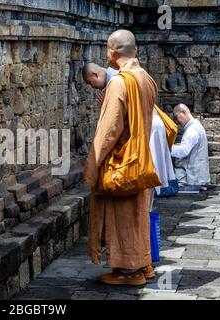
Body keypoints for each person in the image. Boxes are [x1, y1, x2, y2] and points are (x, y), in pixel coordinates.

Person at [83, 29, 158, 286]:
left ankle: (128, 271)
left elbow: (109, 129)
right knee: (139, 215)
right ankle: (143, 263)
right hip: (141, 158)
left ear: (111, 53)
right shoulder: (145, 77)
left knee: (122, 216)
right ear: (134, 50)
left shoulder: (119, 82)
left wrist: (92, 165)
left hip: (122, 163)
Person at [83, 63, 177, 198]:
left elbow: (116, 121)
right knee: (148, 174)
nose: (94, 87)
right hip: (151, 125)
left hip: (147, 127)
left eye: (92, 83)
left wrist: (108, 107)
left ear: (95, 75)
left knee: (145, 175)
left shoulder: (117, 81)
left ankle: (145, 213)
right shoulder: (128, 75)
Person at [171, 103, 210, 191]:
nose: (176, 121)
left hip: (193, 179)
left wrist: (166, 148)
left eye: (176, 117)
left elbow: (183, 151)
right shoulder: (196, 126)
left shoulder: (192, 130)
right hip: (197, 177)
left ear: (183, 112)